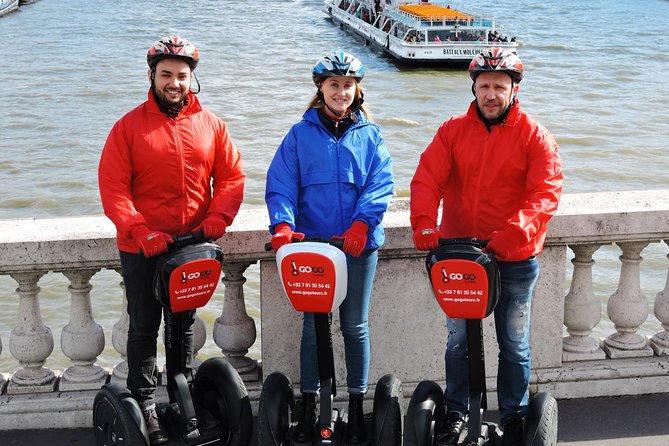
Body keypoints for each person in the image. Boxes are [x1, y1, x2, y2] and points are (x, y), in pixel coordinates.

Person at [409, 47, 563, 446]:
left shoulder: (535, 136)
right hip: (459, 254)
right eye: (484, 86)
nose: (491, 94)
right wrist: (425, 223)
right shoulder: (452, 131)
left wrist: (514, 233)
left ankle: (513, 416)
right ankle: (457, 412)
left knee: (513, 344)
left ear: (514, 89)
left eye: (499, 86)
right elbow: (427, 180)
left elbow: (545, 194)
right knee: (458, 340)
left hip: (514, 257)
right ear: (474, 88)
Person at [98, 36, 245, 444]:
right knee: (144, 325)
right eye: (166, 74)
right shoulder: (128, 127)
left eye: (182, 75)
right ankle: (144, 401)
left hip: (191, 244)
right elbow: (113, 188)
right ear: (152, 76)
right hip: (143, 246)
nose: (174, 82)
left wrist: (218, 216)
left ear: (192, 79)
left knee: (182, 326)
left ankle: (183, 394)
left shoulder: (212, 125)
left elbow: (231, 177)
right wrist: (139, 230)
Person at [265, 50, 394, 444]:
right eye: (334, 85)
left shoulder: (370, 135)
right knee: (312, 328)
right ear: (320, 89)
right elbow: (281, 183)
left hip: (357, 245)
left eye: (348, 86)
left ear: (357, 91)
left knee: (354, 326)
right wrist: (283, 225)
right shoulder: (299, 135)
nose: (341, 92)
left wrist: (362, 222)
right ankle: (310, 406)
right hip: (313, 247)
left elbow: (381, 183)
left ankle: (355, 407)